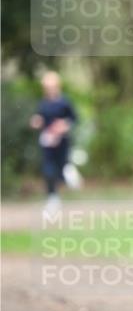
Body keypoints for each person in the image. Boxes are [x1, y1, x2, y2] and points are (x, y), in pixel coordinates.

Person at [29, 71, 79, 216]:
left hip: (62, 141)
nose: (49, 89)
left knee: (62, 166)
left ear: (57, 86)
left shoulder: (65, 102)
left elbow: (74, 119)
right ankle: (52, 197)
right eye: (47, 87)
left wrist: (64, 125)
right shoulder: (43, 103)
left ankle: (68, 173)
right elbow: (40, 118)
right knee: (48, 169)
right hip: (47, 141)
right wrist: (36, 122)